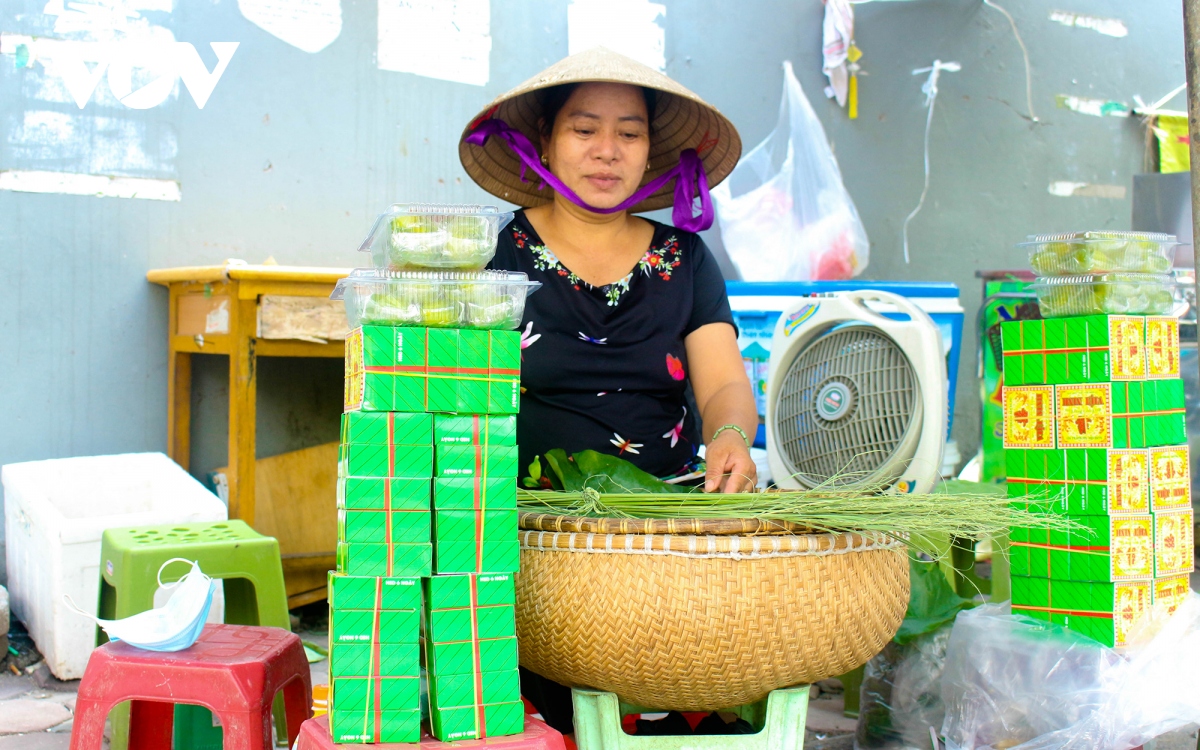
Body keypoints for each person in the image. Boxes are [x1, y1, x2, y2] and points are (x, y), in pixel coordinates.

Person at [459, 48, 758, 734]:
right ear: (545, 141)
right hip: (534, 539)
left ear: (651, 152)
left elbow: (723, 385)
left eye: (629, 132)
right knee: (553, 715)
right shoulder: (494, 260)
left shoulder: (684, 260)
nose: (607, 150)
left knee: (707, 703)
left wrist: (732, 438)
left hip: (670, 531)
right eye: (584, 128)